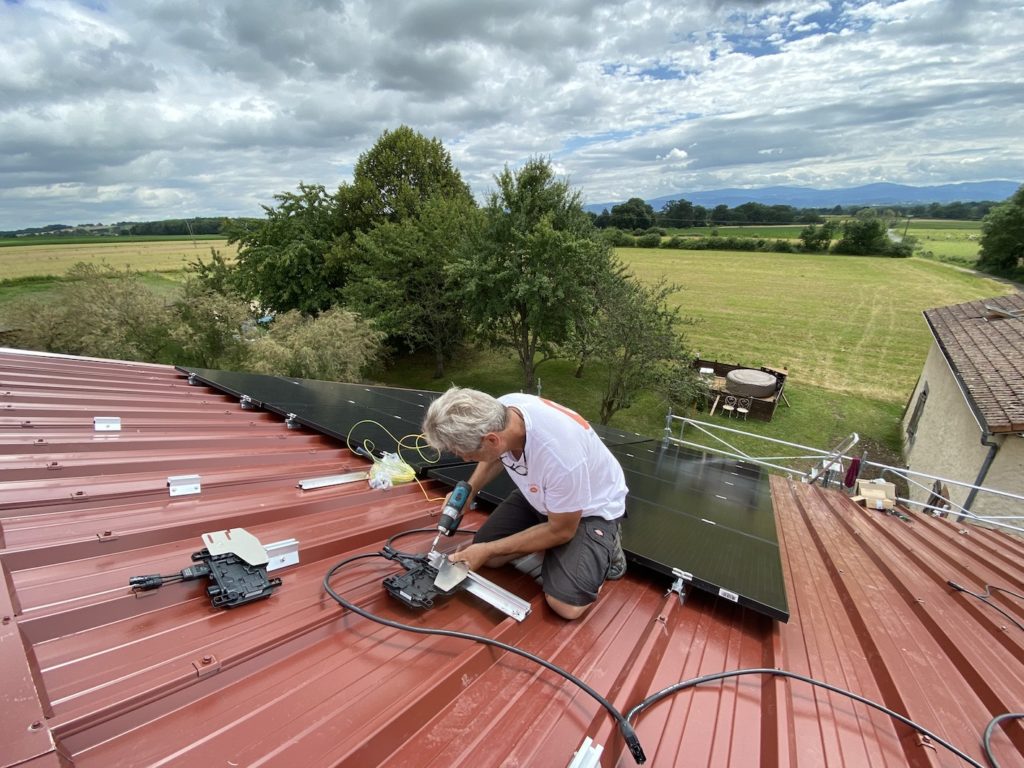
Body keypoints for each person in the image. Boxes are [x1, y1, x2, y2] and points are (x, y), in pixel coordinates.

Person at [422, 387, 628, 620]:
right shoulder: (499, 411)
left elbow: (562, 530)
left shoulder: (561, 456)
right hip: (542, 492)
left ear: (491, 439)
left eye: (466, 454)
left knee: (566, 605)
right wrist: (470, 491)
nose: (464, 459)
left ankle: (607, 548)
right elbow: (495, 454)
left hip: (588, 509)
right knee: (489, 558)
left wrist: (488, 549)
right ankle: (553, 544)